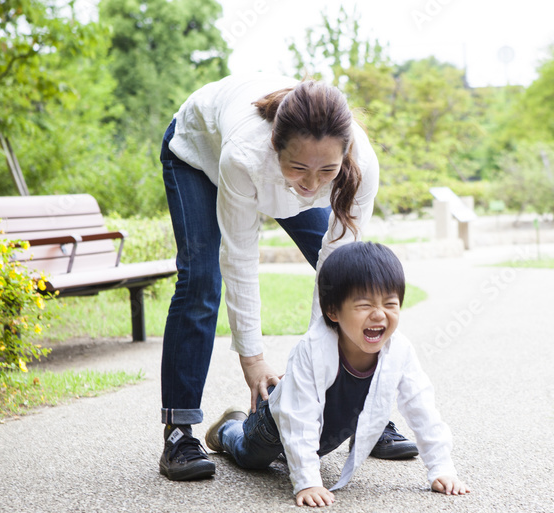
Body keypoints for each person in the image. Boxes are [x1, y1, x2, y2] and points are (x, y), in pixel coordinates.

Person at [158, 73, 418, 482]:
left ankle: (362, 417)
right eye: (300, 168)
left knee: (349, 281)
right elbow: (240, 256)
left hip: (277, 171)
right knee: (201, 282)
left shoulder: (361, 164)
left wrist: (320, 370)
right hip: (196, 154)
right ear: (276, 148)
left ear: (345, 153)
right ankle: (179, 432)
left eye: (327, 171)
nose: (313, 185)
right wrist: (254, 360)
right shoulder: (245, 155)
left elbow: (337, 272)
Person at [203, 242, 471, 507]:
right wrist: (308, 481)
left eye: (390, 303)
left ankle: (294, 455)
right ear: (332, 311)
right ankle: (230, 426)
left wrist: (442, 468)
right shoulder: (313, 350)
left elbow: (421, 405)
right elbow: (299, 419)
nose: (379, 314)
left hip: (323, 435)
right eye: (364, 305)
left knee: (302, 452)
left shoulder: (398, 349)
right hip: (275, 423)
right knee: (251, 459)